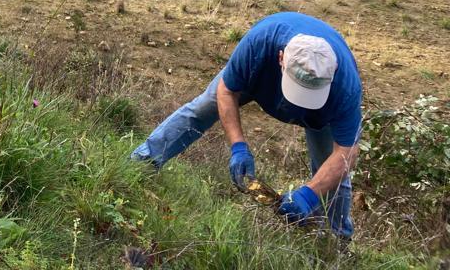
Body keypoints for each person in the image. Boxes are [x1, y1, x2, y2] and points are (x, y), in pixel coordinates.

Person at [131, 12, 362, 239]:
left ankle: (337, 239)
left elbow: (346, 154)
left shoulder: (346, 87)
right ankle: (142, 163)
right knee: (202, 108)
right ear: (281, 58)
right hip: (259, 78)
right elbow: (226, 90)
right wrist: (238, 146)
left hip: (321, 115)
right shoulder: (259, 44)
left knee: (331, 169)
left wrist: (309, 195)